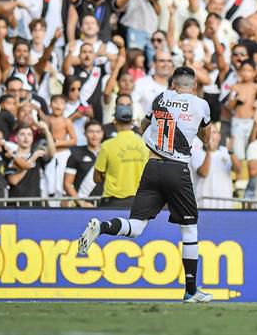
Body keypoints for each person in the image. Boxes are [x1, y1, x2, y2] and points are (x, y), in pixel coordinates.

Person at [78, 66, 213, 303]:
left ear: (172, 84)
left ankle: (101, 227)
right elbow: (207, 137)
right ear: (193, 86)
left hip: (151, 167)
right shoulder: (200, 104)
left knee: (136, 226)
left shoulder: (160, 98)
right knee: (190, 229)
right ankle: (191, 290)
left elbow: (143, 126)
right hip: (176, 168)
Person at [92, 99, 148, 207]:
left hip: (113, 202)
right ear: (132, 121)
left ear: (115, 121)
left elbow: (96, 178)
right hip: (139, 201)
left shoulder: (107, 145)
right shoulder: (144, 144)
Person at [190, 124, 241, 209]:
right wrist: (209, 151)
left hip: (225, 206)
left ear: (219, 136)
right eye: (208, 132)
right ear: (203, 137)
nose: (210, 135)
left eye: (213, 132)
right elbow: (203, 173)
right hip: (203, 205)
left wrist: (231, 152)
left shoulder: (226, 152)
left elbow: (238, 170)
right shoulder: (196, 153)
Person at [63, 120, 104, 207]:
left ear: (102, 133)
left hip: (105, 203)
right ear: (85, 133)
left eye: (98, 132)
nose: (94, 135)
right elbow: (67, 183)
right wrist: (81, 202)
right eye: (91, 131)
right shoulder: (75, 154)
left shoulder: (109, 153)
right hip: (83, 206)